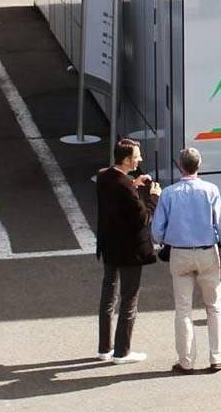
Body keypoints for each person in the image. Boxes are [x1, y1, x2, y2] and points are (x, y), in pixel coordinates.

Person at [149, 146, 221, 374]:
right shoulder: (210, 190)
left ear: (180, 166)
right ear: (199, 165)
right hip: (207, 252)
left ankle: (186, 361)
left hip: (180, 254)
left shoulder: (169, 193)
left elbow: (157, 232)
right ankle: (217, 357)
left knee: (183, 309)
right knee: (214, 306)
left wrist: (167, 238)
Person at [93, 138, 156, 363]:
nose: (140, 159)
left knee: (108, 296)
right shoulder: (126, 187)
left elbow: (119, 195)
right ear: (127, 160)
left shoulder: (104, 177)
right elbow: (143, 217)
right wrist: (153, 196)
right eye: (137, 156)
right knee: (129, 298)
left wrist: (134, 183)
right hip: (130, 251)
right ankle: (122, 351)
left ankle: (104, 348)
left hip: (109, 245)